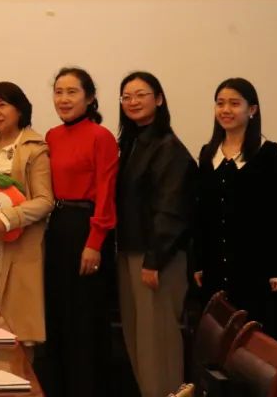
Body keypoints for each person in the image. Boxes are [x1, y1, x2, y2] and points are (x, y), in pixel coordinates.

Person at [115, 71, 196, 397]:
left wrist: (154, 260)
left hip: (157, 260)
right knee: (137, 340)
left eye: (141, 95)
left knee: (158, 344)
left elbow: (171, 212)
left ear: (159, 99)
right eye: (126, 97)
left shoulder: (169, 149)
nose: (132, 102)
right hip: (130, 252)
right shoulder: (132, 144)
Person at [41, 67, 119, 397]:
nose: (64, 99)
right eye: (59, 92)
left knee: (84, 322)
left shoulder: (101, 136)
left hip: (87, 229)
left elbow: (106, 191)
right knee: (56, 316)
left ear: (89, 98)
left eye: (72, 92)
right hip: (57, 227)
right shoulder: (51, 136)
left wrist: (95, 242)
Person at [193, 78, 277, 338]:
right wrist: (198, 262)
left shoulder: (268, 153)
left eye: (234, 104)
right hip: (215, 264)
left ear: (252, 110)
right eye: (220, 103)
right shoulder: (208, 154)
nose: (225, 110)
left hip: (255, 265)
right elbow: (202, 214)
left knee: (254, 339)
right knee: (217, 339)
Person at [0, 82, 54, 347]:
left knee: (17, 335)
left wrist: (8, 218)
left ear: (20, 109)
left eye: (2, 105)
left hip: (18, 245)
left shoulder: (35, 148)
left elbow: (45, 201)